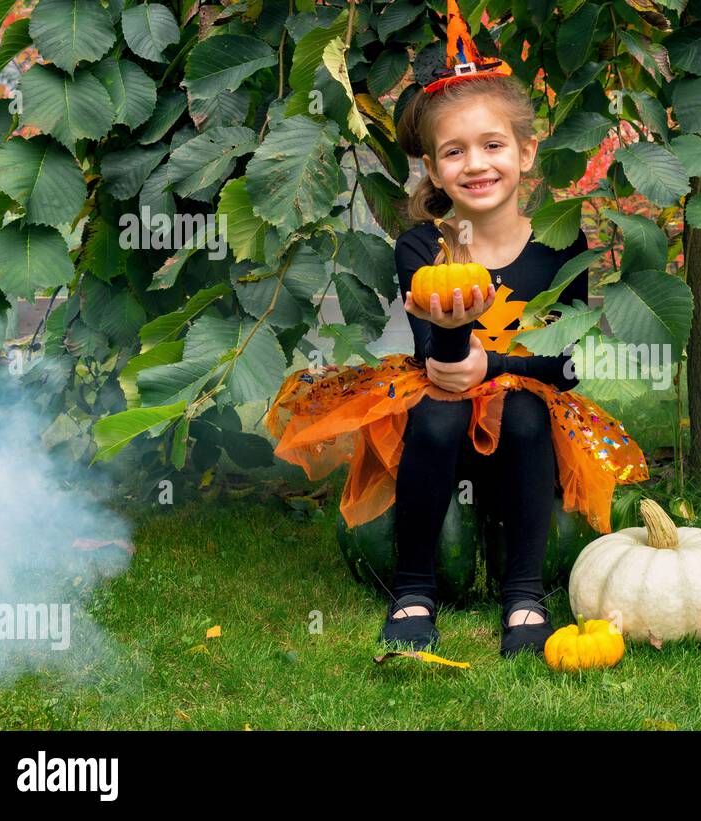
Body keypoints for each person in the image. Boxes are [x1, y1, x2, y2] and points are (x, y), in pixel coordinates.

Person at [265, 0, 648, 658]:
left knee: (524, 414)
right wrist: (451, 334)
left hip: (531, 414)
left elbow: (566, 366)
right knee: (439, 414)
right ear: (435, 168)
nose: (476, 163)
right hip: (442, 411)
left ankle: (524, 597)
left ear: (526, 152)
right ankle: (414, 590)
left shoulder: (559, 244)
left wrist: (495, 370)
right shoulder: (421, 245)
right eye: (454, 151)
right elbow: (433, 362)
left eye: (493, 145)